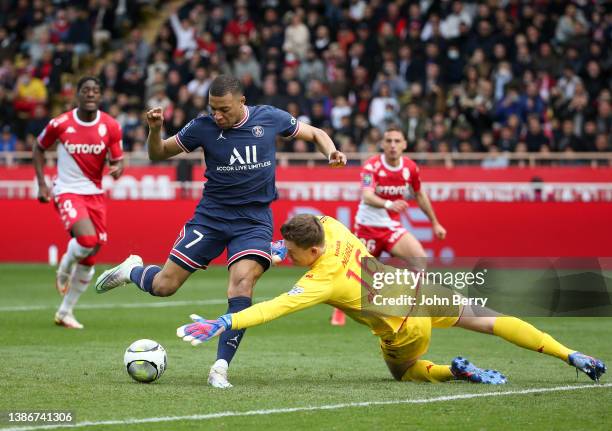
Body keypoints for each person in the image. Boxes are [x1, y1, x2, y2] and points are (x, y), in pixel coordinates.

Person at [95, 75, 347, 388]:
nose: (218, 115)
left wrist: (331, 151)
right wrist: (155, 130)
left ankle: (219, 367)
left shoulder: (269, 117)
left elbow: (315, 133)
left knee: (241, 286)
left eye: (224, 109)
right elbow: (158, 153)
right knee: (164, 286)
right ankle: (133, 270)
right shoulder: (203, 126)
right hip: (210, 218)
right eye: (213, 109)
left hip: (253, 221)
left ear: (242, 103)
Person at [177, 214, 607, 385]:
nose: (288, 255)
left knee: (401, 372)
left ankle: (452, 372)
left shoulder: (320, 281)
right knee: (491, 319)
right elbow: (305, 229)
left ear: (310, 252)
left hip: (403, 329)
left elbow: (272, 308)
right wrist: (275, 247)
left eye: (292, 252)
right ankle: (572, 356)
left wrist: (224, 322)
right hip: (419, 292)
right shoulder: (331, 225)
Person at [33, 76, 124, 329]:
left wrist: (118, 169)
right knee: (86, 241)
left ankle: (65, 312)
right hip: (67, 191)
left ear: (101, 95)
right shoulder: (60, 123)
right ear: (78, 94)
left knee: (91, 255)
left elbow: (118, 161)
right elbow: (38, 147)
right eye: (86, 90)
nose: (91, 94)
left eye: (96, 90)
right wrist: (42, 184)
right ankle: (64, 265)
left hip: (94, 195)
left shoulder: (111, 126)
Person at [331, 126, 446, 326]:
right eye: (389, 141)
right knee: (354, 274)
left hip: (391, 228)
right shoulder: (371, 166)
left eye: (397, 141)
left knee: (419, 260)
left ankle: (412, 308)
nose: (393, 145)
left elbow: (420, 194)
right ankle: (339, 310)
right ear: (383, 144)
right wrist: (388, 204)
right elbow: (367, 195)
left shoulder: (410, 168)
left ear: (404, 145)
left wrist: (435, 223)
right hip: (367, 227)